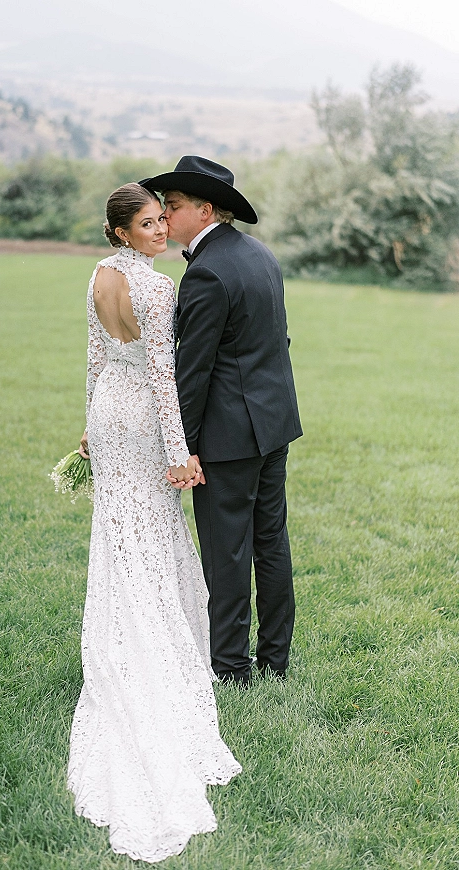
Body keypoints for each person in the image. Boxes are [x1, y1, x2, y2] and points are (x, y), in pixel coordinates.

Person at [67, 182, 241, 864]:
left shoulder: (98, 276)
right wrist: (180, 455)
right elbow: (165, 376)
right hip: (139, 419)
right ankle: (149, 648)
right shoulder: (159, 288)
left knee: (120, 536)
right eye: (146, 224)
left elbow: (94, 357)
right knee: (151, 536)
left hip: (108, 414)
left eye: (159, 219)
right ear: (121, 232)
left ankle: (120, 631)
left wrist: (86, 426)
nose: (159, 230)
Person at [141, 156, 302, 687]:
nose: (165, 215)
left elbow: (194, 373)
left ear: (205, 209)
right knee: (270, 541)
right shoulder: (259, 254)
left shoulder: (207, 270)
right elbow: (276, 342)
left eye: (175, 206)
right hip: (273, 424)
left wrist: (178, 446)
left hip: (230, 437)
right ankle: (275, 660)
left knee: (227, 550)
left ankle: (230, 668)